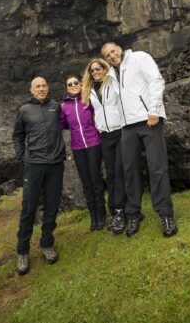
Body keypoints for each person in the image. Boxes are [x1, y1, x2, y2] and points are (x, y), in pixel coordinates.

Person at [101, 42, 178, 238]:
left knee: (157, 168)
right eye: (107, 55)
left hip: (148, 121)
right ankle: (133, 214)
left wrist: (154, 110)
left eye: (113, 51)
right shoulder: (111, 75)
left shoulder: (139, 58)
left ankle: (166, 214)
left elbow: (156, 81)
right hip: (127, 128)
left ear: (120, 49)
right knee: (130, 172)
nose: (111, 55)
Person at [13, 77, 66, 275]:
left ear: (48, 88)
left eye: (44, 86)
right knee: (29, 207)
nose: (42, 89)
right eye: (38, 86)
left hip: (55, 164)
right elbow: (17, 135)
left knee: (52, 206)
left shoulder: (56, 107)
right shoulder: (24, 111)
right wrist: (23, 156)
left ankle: (46, 244)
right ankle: (22, 251)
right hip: (34, 165)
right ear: (31, 90)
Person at [81, 58, 127, 235]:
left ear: (104, 68)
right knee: (112, 173)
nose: (95, 72)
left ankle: (126, 209)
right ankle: (116, 211)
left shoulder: (113, 82)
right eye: (92, 70)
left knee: (122, 170)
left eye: (98, 68)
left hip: (120, 131)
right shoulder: (89, 90)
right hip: (105, 136)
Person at [59, 74, 106, 231]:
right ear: (66, 88)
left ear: (80, 83)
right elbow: (61, 124)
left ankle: (102, 214)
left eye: (75, 83)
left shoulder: (88, 98)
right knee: (86, 182)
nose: (73, 85)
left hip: (94, 143)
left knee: (96, 178)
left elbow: (100, 113)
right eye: (69, 84)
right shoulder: (64, 106)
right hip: (77, 147)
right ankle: (93, 216)